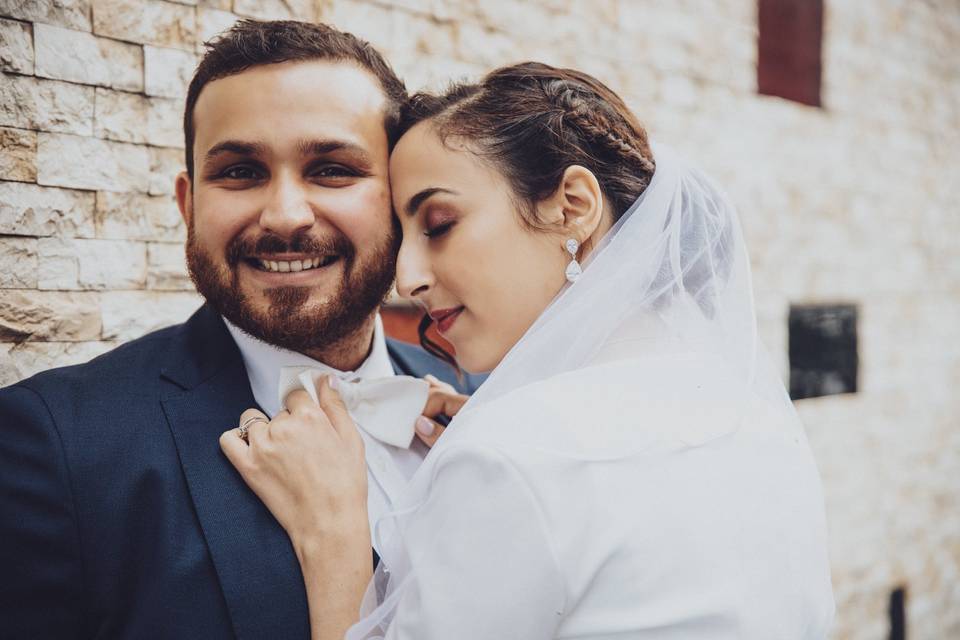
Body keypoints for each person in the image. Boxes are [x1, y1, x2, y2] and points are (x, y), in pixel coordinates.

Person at [223, 62, 837, 639]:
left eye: (438, 224)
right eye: (401, 236)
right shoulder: (753, 416)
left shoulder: (508, 455)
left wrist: (332, 541)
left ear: (572, 207)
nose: (406, 278)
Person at [0, 21, 479, 639]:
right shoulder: (52, 443)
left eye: (332, 169)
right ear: (188, 204)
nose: (284, 216)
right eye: (240, 172)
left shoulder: (477, 407)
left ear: (400, 199)